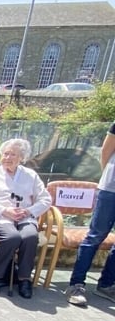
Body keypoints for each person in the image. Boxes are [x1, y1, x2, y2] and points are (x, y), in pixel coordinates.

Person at [0, 138, 51, 298]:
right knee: (12, 237)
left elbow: (46, 199)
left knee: (30, 237)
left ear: (21, 158)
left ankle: (24, 278)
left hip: (24, 217)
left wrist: (29, 211)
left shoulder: (30, 175)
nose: (7, 158)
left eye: (13, 155)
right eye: (5, 154)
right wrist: (4, 210)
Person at [64, 121, 115, 306]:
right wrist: (110, 176)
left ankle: (107, 285)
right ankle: (76, 285)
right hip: (111, 190)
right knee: (95, 236)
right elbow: (106, 153)